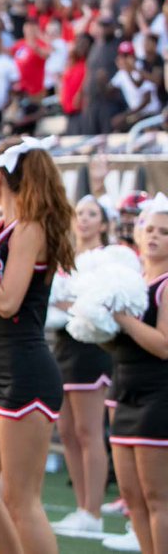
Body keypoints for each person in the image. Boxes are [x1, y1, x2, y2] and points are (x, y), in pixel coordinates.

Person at [0, 137, 74, 554]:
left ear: (0, 175)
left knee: (20, 500)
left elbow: (6, 302)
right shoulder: (3, 226)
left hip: (26, 372)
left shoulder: (30, 229)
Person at [47, 194, 113, 536]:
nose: (83, 219)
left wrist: (67, 303)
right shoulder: (66, 256)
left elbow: (104, 304)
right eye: (79, 214)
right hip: (64, 346)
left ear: (104, 224)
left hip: (92, 349)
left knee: (89, 432)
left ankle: (94, 511)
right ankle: (81, 507)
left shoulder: (108, 259)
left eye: (92, 214)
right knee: (69, 431)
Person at [111, 198, 168, 554]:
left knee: (157, 497)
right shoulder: (131, 279)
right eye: (150, 229)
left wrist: (120, 318)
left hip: (158, 395)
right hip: (125, 390)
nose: (156, 237)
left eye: (165, 232)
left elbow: (163, 345)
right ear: (137, 232)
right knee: (132, 497)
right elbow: (123, 344)